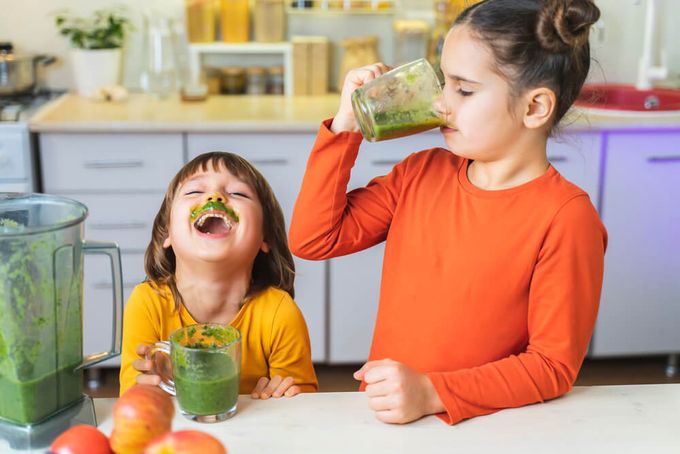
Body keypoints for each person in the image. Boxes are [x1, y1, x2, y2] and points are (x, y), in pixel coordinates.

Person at [289, 0, 606, 425]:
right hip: (390, 416)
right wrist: (346, 125)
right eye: (444, 83)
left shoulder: (566, 217)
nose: (441, 104)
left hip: (480, 426)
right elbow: (314, 239)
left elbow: (552, 366)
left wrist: (431, 392)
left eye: (465, 90)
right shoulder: (421, 172)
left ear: (534, 108)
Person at [120, 152, 318, 399]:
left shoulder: (280, 312)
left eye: (239, 193)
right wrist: (152, 387)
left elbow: (305, 404)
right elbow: (132, 399)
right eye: (194, 192)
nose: (214, 197)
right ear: (166, 233)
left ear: (264, 237)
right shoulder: (147, 303)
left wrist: (282, 396)